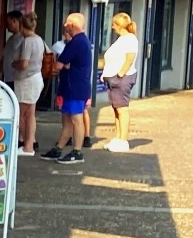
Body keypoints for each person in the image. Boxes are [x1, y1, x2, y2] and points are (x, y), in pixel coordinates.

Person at [43, 13, 92, 165]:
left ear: (72, 25)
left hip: (75, 86)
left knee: (76, 119)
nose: (64, 26)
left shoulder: (76, 43)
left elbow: (57, 65)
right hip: (70, 85)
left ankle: (77, 151)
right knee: (67, 120)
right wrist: (65, 64)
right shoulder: (80, 42)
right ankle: (59, 147)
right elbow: (62, 64)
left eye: (66, 24)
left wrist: (63, 64)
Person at [101, 13, 139, 152]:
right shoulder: (122, 39)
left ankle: (123, 140)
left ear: (118, 25)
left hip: (121, 79)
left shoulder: (130, 39)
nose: (112, 27)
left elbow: (129, 58)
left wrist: (119, 75)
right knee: (117, 109)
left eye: (113, 24)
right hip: (113, 78)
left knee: (122, 110)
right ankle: (117, 138)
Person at [11, 12, 46, 155]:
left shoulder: (27, 41)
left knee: (19, 113)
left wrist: (14, 64)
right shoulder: (39, 40)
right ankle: (29, 145)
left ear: (21, 25)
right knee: (30, 114)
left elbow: (24, 63)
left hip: (26, 80)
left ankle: (25, 144)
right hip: (36, 77)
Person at [0, 11, 23, 87]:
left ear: (14, 21)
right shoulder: (10, 39)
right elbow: (5, 58)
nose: (6, 26)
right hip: (8, 79)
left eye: (7, 22)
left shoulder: (24, 39)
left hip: (18, 81)